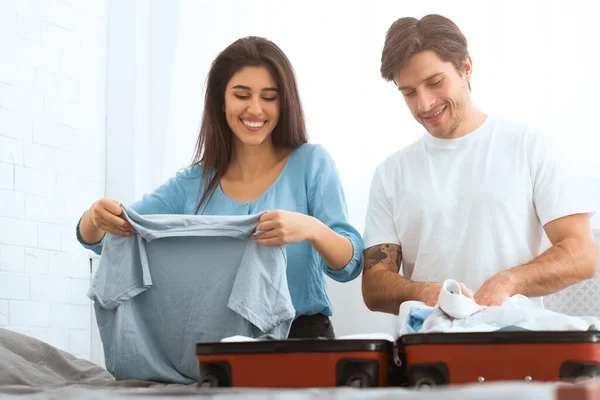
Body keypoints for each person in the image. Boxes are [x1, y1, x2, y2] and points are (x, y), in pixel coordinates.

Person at [77, 36, 363, 339]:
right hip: (217, 344)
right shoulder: (192, 184)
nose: (255, 109)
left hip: (302, 339)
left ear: (284, 102)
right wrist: (94, 218)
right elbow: (107, 238)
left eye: (269, 97)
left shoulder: (312, 163)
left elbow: (350, 264)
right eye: (242, 95)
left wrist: (311, 228)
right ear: (221, 100)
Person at [361, 14, 598, 314]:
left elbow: (583, 253)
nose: (424, 104)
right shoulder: (390, 173)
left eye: (434, 83)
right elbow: (374, 284)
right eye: (408, 93)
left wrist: (512, 280)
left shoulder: (528, 146)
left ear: (466, 68)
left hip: (515, 343)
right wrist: (426, 292)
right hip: (429, 349)